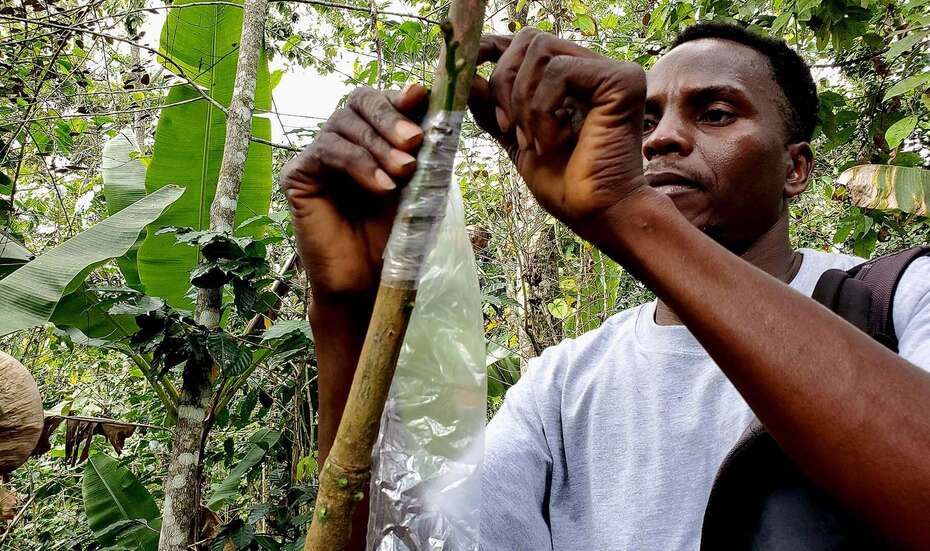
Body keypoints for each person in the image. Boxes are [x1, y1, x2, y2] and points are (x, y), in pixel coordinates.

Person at [281, 21, 930, 550]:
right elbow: (410, 542)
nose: (663, 139)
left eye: (715, 113)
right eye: (643, 122)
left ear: (795, 169)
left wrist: (626, 212)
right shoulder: (563, 385)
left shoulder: (899, 297)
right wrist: (343, 314)